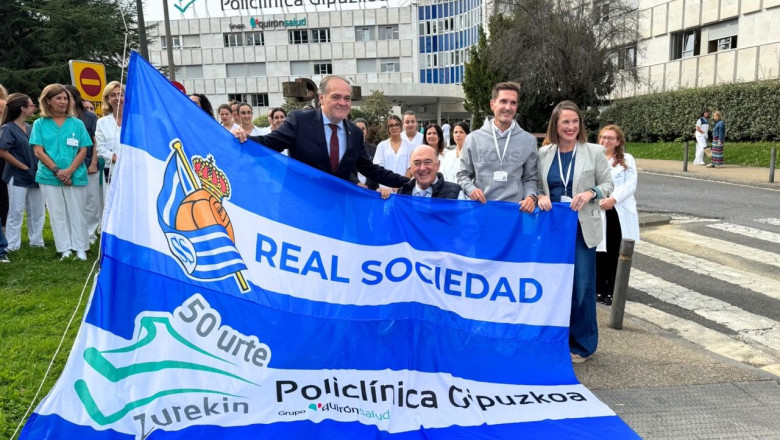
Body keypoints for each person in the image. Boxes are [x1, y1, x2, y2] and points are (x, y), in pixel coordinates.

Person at [536, 101, 614, 363]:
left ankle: (582, 344)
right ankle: (555, 339)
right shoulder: (544, 154)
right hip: (553, 230)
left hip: (582, 229)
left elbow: (608, 184)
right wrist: (538, 196)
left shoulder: (594, 152)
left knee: (581, 287)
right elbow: (535, 184)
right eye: (565, 122)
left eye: (575, 121)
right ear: (555, 125)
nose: (571, 127)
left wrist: (591, 192)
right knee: (553, 286)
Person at [234, 75, 408, 188]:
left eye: (347, 98)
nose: (343, 102)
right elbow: (270, 144)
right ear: (321, 98)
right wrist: (239, 139)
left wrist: (410, 183)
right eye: (336, 97)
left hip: (336, 212)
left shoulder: (354, 133)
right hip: (302, 209)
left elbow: (370, 169)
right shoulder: (300, 121)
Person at [30, 84, 93, 260]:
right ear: (48, 101)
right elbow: (38, 151)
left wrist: (70, 170)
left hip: (75, 175)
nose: (63, 102)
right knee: (57, 213)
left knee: (77, 212)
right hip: (49, 176)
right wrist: (58, 171)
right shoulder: (39, 124)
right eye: (58, 98)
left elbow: (83, 149)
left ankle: (81, 248)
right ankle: (64, 248)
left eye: (65, 98)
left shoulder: (77, 124)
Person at [456, 82, 538, 213]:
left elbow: (530, 178)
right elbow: (463, 175)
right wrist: (471, 189)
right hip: (482, 211)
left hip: (515, 213)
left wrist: (531, 196)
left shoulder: (528, 141)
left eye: (513, 103)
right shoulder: (473, 139)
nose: (508, 107)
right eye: (503, 101)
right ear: (492, 104)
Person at [595, 125, 639, 306]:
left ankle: (613, 290)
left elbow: (630, 184)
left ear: (618, 141)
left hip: (618, 210)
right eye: (603, 137)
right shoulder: (594, 157)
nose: (606, 141)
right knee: (599, 251)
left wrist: (612, 199)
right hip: (598, 208)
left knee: (615, 251)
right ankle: (598, 289)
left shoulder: (626, 159)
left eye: (610, 138)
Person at [0, 93, 45, 252]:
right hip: (16, 175)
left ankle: (37, 242)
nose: (34, 107)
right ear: (22, 108)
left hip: (34, 174)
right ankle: (12, 245)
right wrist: (23, 166)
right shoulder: (7, 128)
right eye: (32, 105)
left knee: (38, 210)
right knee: (16, 211)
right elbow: (3, 151)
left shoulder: (30, 128)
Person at [65, 85, 100, 244]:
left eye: (67, 97)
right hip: (67, 168)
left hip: (88, 166)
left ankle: (90, 234)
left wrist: (93, 163)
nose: (64, 101)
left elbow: (95, 141)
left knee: (91, 202)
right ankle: (73, 234)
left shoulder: (89, 117)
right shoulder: (58, 119)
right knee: (71, 204)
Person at [397, 145, 465, 199]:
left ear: (438, 165)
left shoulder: (455, 194)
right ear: (411, 168)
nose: (422, 168)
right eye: (417, 163)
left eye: (427, 162)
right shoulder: (402, 193)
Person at [96, 81, 125, 201]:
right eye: (113, 95)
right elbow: (100, 149)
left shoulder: (137, 120)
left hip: (135, 170)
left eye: (120, 94)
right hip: (113, 171)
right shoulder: (102, 123)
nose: (117, 98)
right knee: (114, 205)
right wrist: (117, 159)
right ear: (107, 99)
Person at [373, 115, 412, 189]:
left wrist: (401, 184)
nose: (394, 127)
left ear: (401, 126)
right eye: (391, 125)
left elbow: (410, 167)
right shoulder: (382, 146)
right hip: (385, 187)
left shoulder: (409, 145)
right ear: (388, 129)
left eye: (397, 125)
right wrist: (389, 185)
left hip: (404, 187)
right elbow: (378, 167)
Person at [352, 118, 377, 189]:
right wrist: (357, 182)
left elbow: (377, 170)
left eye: (363, 129)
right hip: (353, 189)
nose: (360, 131)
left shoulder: (374, 149)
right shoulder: (347, 148)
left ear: (366, 131)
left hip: (371, 191)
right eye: (358, 128)